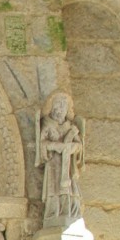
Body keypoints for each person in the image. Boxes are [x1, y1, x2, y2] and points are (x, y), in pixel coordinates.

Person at [36, 91, 84, 226]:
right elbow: (42, 143)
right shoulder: (47, 124)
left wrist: (72, 147)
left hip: (68, 165)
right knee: (54, 189)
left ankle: (70, 211)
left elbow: (79, 145)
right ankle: (54, 212)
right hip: (54, 163)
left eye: (64, 105)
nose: (61, 108)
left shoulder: (71, 127)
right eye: (58, 104)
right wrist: (55, 146)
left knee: (70, 189)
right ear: (52, 107)